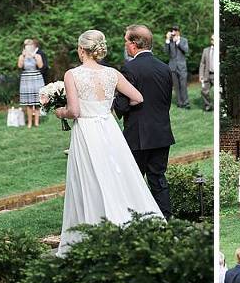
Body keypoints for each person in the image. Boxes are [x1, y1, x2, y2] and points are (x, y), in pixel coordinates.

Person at [54, 30, 163, 256]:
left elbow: (74, 111)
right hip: (109, 128)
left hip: (86, 130)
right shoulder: (112, 73)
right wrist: (109, 106)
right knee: (118, 176)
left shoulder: (72, 74)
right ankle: (129, 222)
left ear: (81, 50)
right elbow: (137, 98)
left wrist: (60, 112)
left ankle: (94, 230)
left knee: (89, 178)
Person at [113, 25, 175, 219]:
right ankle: (165, 219)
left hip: (137, 135)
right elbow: (166, 102)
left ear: (133, 44)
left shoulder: (129, 68)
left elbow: (122, 106)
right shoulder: (165, 68)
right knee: (158, 179)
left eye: (126, 41)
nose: (125, 45)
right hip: (162, 133)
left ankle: (135, 220)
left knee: (132, 181)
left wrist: (113, 101)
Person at [18, 39, 45, 128]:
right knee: (29, 103)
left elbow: (41, 66)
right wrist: (23, 56)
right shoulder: (22, 56)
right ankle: (29, 122)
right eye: (27, 47)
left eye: (30, 47)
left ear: (33, 47)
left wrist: (34, 56)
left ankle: (36, 122)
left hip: (36, 78)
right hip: (26, 79)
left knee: (37, 102)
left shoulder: (37, 55)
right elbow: (20, 66)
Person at [164, 25, 190, 109]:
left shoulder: (184, 40)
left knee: (183, 85)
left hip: (182, 67)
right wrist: (167, 40)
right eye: (172, 30)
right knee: (176, 86)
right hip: (172, 67)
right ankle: (179, 103)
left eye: (175, 30)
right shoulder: (169, 41)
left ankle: (186, 102)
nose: (174, 32)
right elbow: (166, 52)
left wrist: (178, 42)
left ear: (178, 32)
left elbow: (186, 50)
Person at [199, 34, 214, 111]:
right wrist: (201, 75)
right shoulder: (206, 50)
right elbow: (202, 63)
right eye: (212, 39)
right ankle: (208, 105)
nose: (213, 41)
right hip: (207, 74)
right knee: (204, 91)